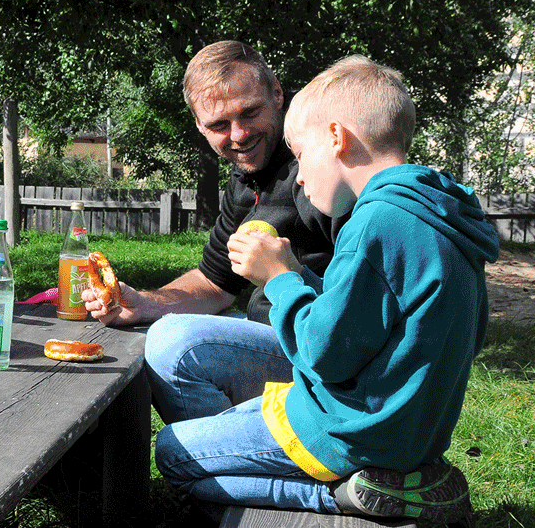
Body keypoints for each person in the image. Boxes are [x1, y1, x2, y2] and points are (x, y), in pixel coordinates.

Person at [155, 56, 494, 524]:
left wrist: (280, 279)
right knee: (218, 433)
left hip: (350, 431)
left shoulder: (374, 223)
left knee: (172, 452)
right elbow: (470, 335)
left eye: (301, 154)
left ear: (336, 139)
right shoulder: (442, 214)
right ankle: (384, 484)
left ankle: (343, 496)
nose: (300, 176)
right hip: (416, 434)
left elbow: (324, 355)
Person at [84, 41, 344, 423]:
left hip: (321, 352)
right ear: (199, 126)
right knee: (152, 332)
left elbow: (375, 279)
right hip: (272, 335)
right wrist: (144, 303)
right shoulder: (243, 179)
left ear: (276, 94)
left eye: (249, 112)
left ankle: (242, 457)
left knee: (177, 345)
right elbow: (215, 282)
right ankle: (228, 450)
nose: (238, 135)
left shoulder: (319, 169)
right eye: (219, 125)